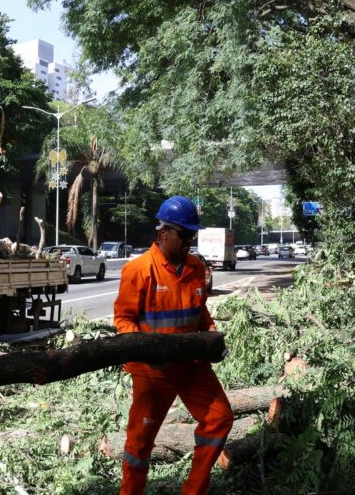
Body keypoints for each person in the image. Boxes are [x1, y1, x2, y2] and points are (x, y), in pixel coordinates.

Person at [113, 196, 234, 495]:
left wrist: (210, 334)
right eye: (184, 235)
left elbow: (200, 312)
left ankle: (193, 490)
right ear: (164, 232)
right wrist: (144, 350)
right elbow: (124, 321)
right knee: (139, 445)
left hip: (192, 366)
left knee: (219, 417)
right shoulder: (139, 270)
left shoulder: (195, 267)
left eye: (192, 235)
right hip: (153, 374)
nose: (189, 242)